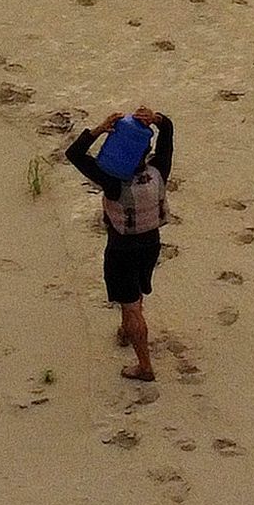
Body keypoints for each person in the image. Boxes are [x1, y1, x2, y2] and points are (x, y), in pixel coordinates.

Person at [62, 105, 174, 381]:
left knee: (132, 305)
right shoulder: (160, 170)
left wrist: (100, 129)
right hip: (151, 244)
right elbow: (168, 133)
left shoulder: (112, 181)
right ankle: (125, 331)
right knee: (135, 294)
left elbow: (73, 154)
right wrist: (156, 119)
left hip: (122, 249)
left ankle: (144, 366)